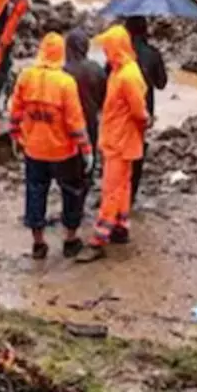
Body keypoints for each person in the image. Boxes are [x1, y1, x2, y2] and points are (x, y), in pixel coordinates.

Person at [9, 33, 91, 260]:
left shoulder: (26, 77)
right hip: (63, 151)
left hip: (34, 149)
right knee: (71, 192)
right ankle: (70, 239)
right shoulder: (65, 83)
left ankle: (38, 243)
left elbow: (15, 111)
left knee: (35, 192)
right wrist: (86, 150)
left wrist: (16, 136)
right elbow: (75, 122)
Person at [77, 25, 149, 261]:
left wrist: (143, 123)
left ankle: (99, 238)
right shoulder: (123, 71)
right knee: (123, 186)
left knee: (111, 189)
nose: (105, 53)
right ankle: (120, 226)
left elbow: (139, 112)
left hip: (120, 140)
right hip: (120, 138)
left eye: (108, 48)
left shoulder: (127, 76)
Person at [123, 16, 168, 202]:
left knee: (120, 150)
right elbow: (161, 83)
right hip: (144, 112)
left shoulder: (120, 54)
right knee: (137, 150)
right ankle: (131, 193)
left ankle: (119, 190)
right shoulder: (153, 53)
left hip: (120, 111)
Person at [64, 28, 106, 147]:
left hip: (67, 126)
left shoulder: (62, 72)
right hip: (90, 121)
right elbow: (104, 99)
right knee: (90, 157)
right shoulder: (96, 69)